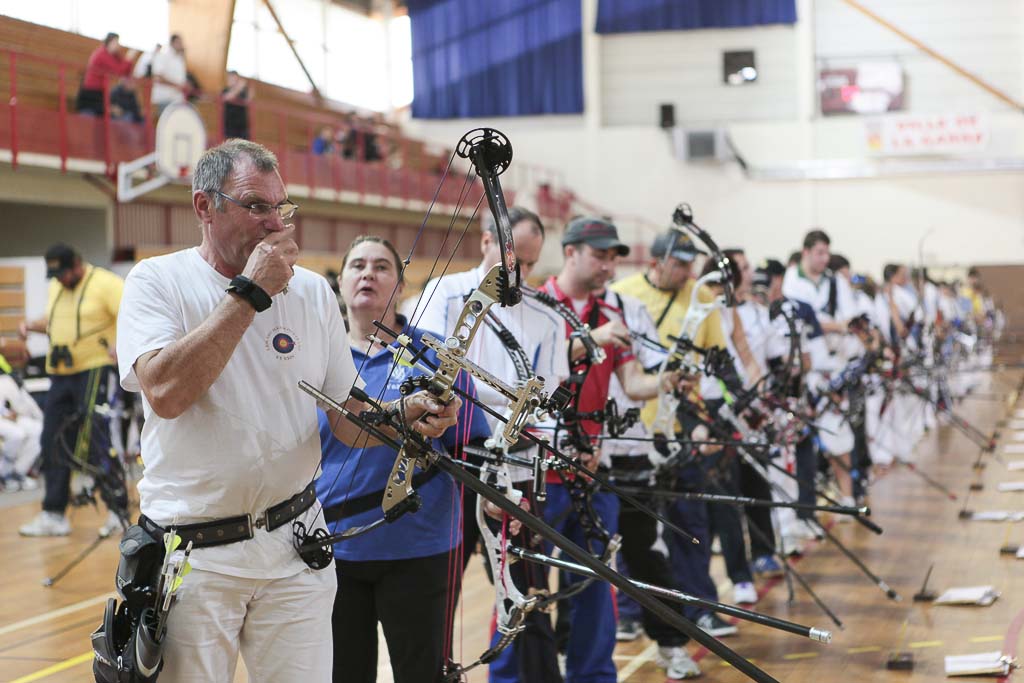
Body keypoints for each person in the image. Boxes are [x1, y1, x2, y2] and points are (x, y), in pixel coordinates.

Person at [114, 139, 458, 682]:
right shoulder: (158, 282)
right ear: (205, 207)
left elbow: (348, 416)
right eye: (256, 206)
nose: (275, 223)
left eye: (282, 207)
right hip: (197, 555)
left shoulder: (314, 293)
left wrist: (403, 415)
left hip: (295, 544)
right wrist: (250, 293)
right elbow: (166, 392)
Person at [406, 207, 569, 683]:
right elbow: (423, 372)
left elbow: (548, 398)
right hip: (446, 465)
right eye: (513, 256)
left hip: (511, 469)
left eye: (531, 263)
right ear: (485, 243)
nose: (520, 272)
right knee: (439, 587)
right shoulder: (442, 294)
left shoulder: (544, 316)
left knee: (523, 589)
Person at [525, 217, 688, 683]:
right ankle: (536, 670)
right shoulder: (536, 306)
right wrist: (582, 342)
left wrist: (669, 379)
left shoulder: (613, 311)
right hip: (540, 468)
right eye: (599, 254)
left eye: (614, 256)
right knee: (531, 583)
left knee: (596, 583)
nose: (608, 264)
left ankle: (593, 675)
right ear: (570, 251)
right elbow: (528, 377)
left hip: (593, 468)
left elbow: (632, 384)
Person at [319, 235, 490, 683]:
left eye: (381, 266)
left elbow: (472, 444)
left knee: (421, 673)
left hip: (418, 545)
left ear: (400, 284)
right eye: (357, 265)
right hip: (333, 547)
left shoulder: (434, 356)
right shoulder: (318, 354)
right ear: (340, 282)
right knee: (343, 674)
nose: (368, 274)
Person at [611, 230, 738, 638]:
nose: (687, 272)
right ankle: (631, 611)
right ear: (656, 262)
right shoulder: (620, 294)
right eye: (680, 263)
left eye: (689, 264)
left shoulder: (701, 299)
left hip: (682, 423)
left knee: (690, 521)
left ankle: (699, 606)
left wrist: (716, 418)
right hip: (630, 428)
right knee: (635, 525)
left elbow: (718, 361)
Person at [18, 244, 127, 537]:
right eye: (55, 275)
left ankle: (118, 510)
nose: (60, 279)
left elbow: (134, 311)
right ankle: (54, 514)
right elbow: (55, 323)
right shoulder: (57, 288)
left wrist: (122, 343)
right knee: (51, 439)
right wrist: (31, 325)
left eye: (64, 273)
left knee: (96, 438)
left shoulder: (105, 283)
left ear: (78, 264)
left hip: (94, 369)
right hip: (61, 373)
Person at [0, 354, 42, 491]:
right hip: (4, 420)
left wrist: (8, 413)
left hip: (6, 416)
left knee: (39, 430)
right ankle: (3, 475)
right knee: (17, 434)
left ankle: (18, 472)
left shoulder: (5, 374)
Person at [77, 32, 138, 116]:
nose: (118, 45)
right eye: (116, 42)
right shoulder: (101, 54)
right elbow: (119, 70)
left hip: (100, 92)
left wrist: (129, 60)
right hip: (91, 93)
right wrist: (129, 59)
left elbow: (125, 72)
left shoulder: (113, 55)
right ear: (110, 42)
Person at [150, 34, 188, 115]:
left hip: (177, 100)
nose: (182, 45)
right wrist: (177, 85)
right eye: (179, 42)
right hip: (165, 99)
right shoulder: (162, 56)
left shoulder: (179, 59)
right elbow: (158, 78)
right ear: (172, 43)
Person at [222, 70, 253, 140]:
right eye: (230, 78)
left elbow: (248, 100)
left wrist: (250, 89)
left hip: (242, 126)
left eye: (234, 78)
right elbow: (226, 97)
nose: (232, 80)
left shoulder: (241, 92)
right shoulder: (225, 90)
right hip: (230, 125)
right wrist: (239, 88)